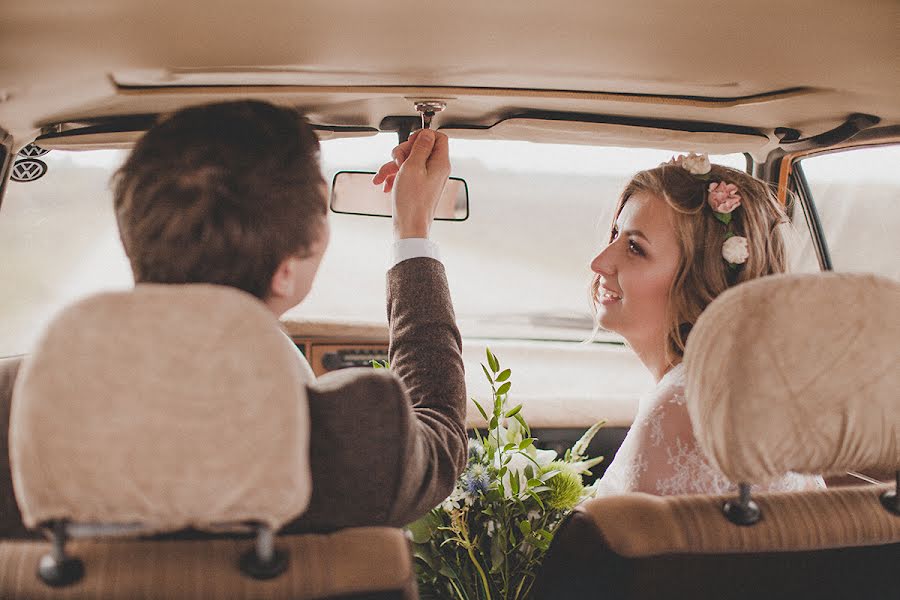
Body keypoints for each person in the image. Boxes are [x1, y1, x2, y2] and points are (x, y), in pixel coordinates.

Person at [113, 100, 467, 531]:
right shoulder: (345, 436)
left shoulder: (16, 408)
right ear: (285, 271)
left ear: (132, 236)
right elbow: (441, 433)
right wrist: (413, 227)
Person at [588, 153, 824, 496]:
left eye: (635, 248)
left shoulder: (681, 406)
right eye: (614, 235)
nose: (600, 262)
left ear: (701, 281)